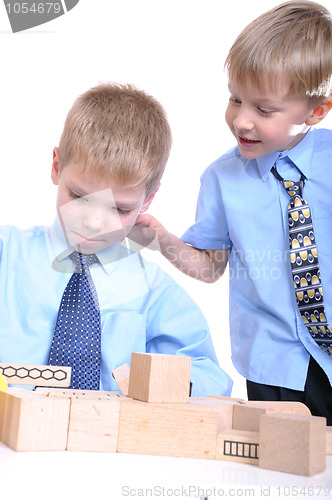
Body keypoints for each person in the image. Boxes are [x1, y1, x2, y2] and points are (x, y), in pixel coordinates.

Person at [134, 1, 332, 423]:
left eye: (264, 110)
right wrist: (164, 242)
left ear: (315, 112)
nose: (241, 120)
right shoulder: (222, 178)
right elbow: (210, 268)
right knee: (289, 470)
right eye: (235, 99)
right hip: (275, 364)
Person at [0, 82, 232, 397]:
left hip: (107, 440)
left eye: (120, 209)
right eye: (79, 196)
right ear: (57, 167)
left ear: (148, 200)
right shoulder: (6, 253)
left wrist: (167, 385)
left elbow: (210, 378)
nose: (94, 222)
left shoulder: (154, 291)